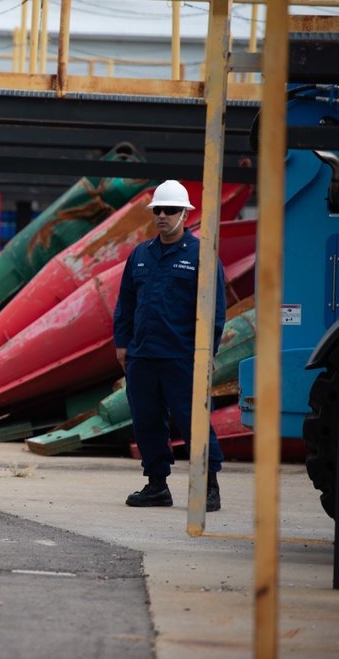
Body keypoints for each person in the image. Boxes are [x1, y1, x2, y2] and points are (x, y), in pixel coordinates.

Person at [112, 179, 227, 512]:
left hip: (182, 357)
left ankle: (209, 486)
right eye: (158, 210)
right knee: (146, 421)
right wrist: (123, 344)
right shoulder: (140, 255)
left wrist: (207, 353)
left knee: (193, 421)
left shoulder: (201, 256)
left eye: (170, 210)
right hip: (143, 356)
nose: (162, 215)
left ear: (185, 214)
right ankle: (157, 486)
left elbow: (213, 311)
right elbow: (126, 304)